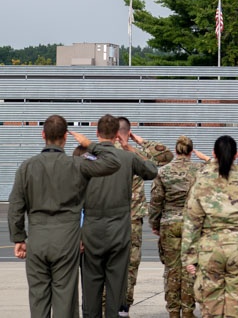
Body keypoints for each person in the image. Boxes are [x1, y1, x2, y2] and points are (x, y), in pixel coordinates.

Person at [8, 115, 121, 317]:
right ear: (65, 138)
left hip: (38, 236)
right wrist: (90, 144)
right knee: (65, 299)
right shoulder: (77, 164)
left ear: (43, 135)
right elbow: (113, 163)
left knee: (38, 298)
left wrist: (18, 237)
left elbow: (16, 205)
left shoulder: (27, 167)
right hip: (67, 238)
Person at [80, 114, 158, 318]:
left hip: (91, 232)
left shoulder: (84, 160)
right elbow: (151, 170)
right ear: (117, 135)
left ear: (97, 133)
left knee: (91, 289)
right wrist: (129, 148)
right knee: (116, 289)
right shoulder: (127, 158)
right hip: (119, 232)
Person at [182, 135, 238, 318]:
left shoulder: (202, 183)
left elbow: (192, 222)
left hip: (211, 249)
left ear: (213, 154)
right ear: (236, 155)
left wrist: (189, 258)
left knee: (210, 307)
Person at [118, 116, 173, 317]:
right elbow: (167, 156)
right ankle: (123, 307)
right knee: (130, 265)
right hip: (132, 220)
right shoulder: (138, 155)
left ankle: (105, 305)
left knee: (105, 263)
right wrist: (140, 141)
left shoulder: (101, 153)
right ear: (128, 132)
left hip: (106, 219)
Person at [149, 135, 201, 318]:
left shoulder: (164, 172)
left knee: (171, 269)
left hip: (169, 223)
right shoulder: (199, 170)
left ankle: (173, 311)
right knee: (190, 268)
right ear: (191, 151)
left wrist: (154, 224)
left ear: (176, 150)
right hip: (191, 224)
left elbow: (156, 201)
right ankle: (187, 310)